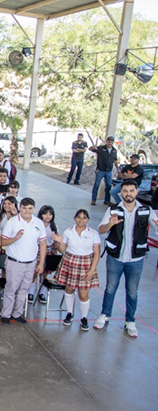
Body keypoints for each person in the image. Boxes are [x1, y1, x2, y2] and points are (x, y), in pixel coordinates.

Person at [95, 180, 158, 337]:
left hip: (136, 260)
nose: (128, 193)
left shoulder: (146, 210)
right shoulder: (113, 210)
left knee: (132, 292)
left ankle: (130, 321)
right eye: (125, 191)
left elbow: (156, 227)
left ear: (136, 192)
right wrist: (110, 224)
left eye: (131, 190)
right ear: (121, 192)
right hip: (115, 258)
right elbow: (101, 230)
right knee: (110, 288)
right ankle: (105, 315)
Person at [0, 198, 47, 325]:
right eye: (24, 208)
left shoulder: (38, 223)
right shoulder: (13, 222)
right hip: (15, 262)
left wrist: (41, 263)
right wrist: (15, 238)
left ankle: (17, 313)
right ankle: (6, 314)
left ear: (34, 209)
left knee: (24, 289)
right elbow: (2, 242)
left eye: (30, 208)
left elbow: (42, 244)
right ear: (20, 208)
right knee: (11, 289)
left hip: (30, 263)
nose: (27, 211)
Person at [51, 209, 101, 332]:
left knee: (83, 293)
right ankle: (69, 313)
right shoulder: (68, 232)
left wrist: (91, 270)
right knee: (69, 289)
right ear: (75, 218)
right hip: (70, 261)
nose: (81, 220)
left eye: (84, 218)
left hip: (86, 264)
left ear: (88, 220)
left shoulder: (93, 233)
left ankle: (84, 317)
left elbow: (96, 253)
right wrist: (59, 242)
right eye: (79, 217)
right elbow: (63, 250)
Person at [29, 205, 58, 304]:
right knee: (34, 272)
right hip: (37, 249)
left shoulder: (54, 227)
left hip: (48, 251)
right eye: (45, 214)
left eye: (50, 214)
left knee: (44, 274)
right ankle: (31, 292)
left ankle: (42, 293)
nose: (48, 216)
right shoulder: (37, 225)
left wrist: (54, 254)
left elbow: (55, 243)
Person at [89, 136, 119, 205]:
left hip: (109, 171)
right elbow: (91, 149)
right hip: (101, 170)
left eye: (111, 141)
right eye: (109, 141)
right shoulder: (101, 148)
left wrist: (118, 169)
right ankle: (93, 199)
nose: (110, 142)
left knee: (108, 186)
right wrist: (93, 147)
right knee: (97, 184)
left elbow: (115, 160)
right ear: (106, 141)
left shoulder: (114, 150)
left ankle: (107, 200)